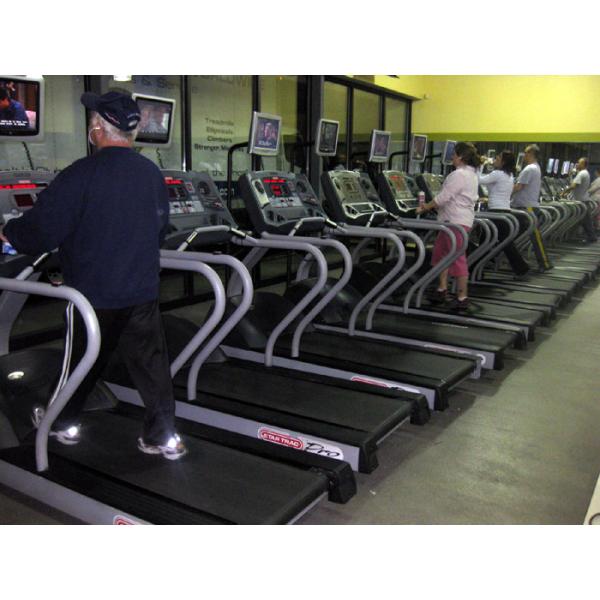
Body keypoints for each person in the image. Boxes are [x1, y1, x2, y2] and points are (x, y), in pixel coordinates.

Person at [0, 91, 186, 460]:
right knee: (151, 366)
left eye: (92, 121)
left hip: (92, 296)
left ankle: (60, 424)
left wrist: (9, 235)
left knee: (81, 362)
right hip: (142, 289)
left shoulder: (81, 174)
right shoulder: (150, 174)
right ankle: (163, 436)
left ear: (98, 127)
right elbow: (160, 228)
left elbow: (42, 232)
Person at [416, 141, 480, 311]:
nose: (451, 157)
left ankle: (462, 297)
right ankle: (442, 289)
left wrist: (424, 207)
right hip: (452, 222)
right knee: (440, 254)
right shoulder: (471, 173)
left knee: (457, 258)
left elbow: (443, 197)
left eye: (453, 154)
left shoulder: (460, 174)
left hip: (455, 222)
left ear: (460, 156)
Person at [479, 150, 530, 277]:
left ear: (503, 161)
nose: (495, 160)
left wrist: (479, 165)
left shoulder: (497, 173)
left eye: (497, 158)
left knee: (500, 242)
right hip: (504, 211)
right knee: (489, 239)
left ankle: (521, 268)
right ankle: (480, 265)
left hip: (496, 212)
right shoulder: (509, 175)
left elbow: (479, 180)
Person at [511, 144, 552, 270]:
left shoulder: (529, 169)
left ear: (531, 154)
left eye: (526, 153)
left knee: (535, 237)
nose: (524, 155)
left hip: (527, 207)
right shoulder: (535, 167)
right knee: (514, 234)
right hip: (524, 206)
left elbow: (518, 187)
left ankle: (544, 263)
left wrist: (502, 192)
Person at [561, 157, 597, 243]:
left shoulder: (582, 174)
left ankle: (591, 237)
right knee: (584, 220)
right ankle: (590, 236)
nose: (577, 164)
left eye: (579, 163)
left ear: (584, 164)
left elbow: (573, 186)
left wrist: (563, 192)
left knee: (584, 220)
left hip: (581, 201)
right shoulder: (584, 173)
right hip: (583, 199)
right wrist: (572, 174)